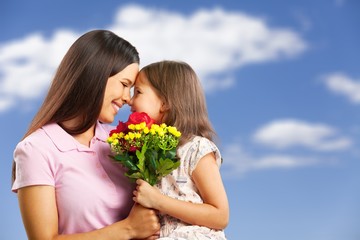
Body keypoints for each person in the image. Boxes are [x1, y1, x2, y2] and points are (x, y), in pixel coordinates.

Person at [11, 29, 160, 240]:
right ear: (96, 74)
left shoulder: (119, 142)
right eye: (125, 85)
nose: (128, 98)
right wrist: (127, 229)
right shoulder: (37, 149)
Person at [129, 60, 229, 239]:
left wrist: (159, 201)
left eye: (138, 92)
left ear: (165, 103)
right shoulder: (147, 152)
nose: (130, 100)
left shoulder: (196, 149)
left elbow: (220, 216)